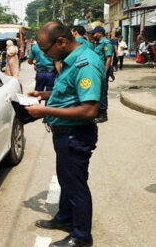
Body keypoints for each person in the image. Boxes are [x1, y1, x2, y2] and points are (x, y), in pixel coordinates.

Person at [25, 21, 104, 247]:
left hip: (75, 135)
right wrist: (43, 93)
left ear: (61, 41)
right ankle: (65, 217)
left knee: (76, 185)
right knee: (66, 180)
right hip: (64, 134)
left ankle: (81, 235)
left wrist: (43, 110)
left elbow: (89, 109)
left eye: (46, 50)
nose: (45, 55)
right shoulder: (71, 58)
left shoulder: (85, 64)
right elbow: (69, 91)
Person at [88, 26, 113, 123]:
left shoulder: (106, 43)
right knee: (97, 92)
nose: (93, 35)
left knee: (102, 92)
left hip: (102, 72)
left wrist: (104, 73)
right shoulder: (98, 44)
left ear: (100, 33)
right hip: (97, 72)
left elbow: (108, 58)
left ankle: (103, 114)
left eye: (94, 33)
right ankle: (97, 112)